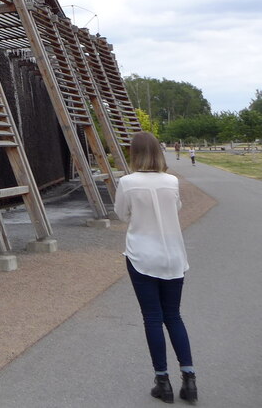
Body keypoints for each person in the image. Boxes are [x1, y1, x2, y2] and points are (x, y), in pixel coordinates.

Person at [114, 131, 197, 404]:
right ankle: (189, 378)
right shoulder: (171, 181)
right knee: (174, 316)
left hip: (142, 256)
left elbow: (121, 214)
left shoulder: (127, 182)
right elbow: (177, 207)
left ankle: (163, 381)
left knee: (152, 317)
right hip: (173, 255)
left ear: (133, 154)